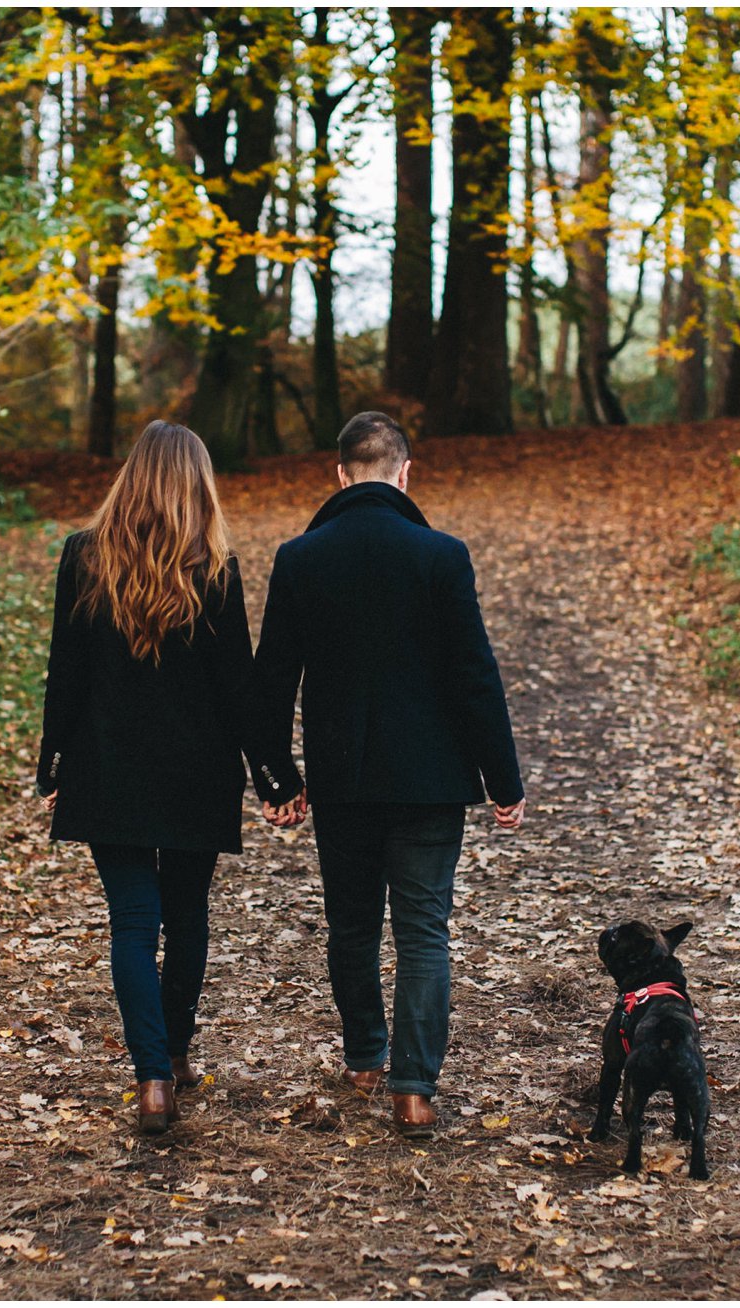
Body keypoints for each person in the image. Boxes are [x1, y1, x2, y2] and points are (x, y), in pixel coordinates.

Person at [249, 411, 525, 1137]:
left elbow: (271, 679)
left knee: (351, 926)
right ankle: (413, 1088)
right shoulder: (441, 555)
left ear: (339, 474)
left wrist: (277, 777)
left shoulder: (300, 557)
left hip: (341, 777)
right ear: (405, 473)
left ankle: (366, 1057)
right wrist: (504, 780)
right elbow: (475, 676)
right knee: (423, 930)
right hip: (432, 780)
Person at [36, 419, 263, 1135]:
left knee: (134, 921)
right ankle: (174, 1052)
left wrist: (52, 760)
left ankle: (153, 1077)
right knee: (186, 914)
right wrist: (270, 774)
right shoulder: (215, 567)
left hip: (110, 769)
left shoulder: (84, 556)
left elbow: (64, 673)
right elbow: (239, 689)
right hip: (196, 772)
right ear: (197, 483)